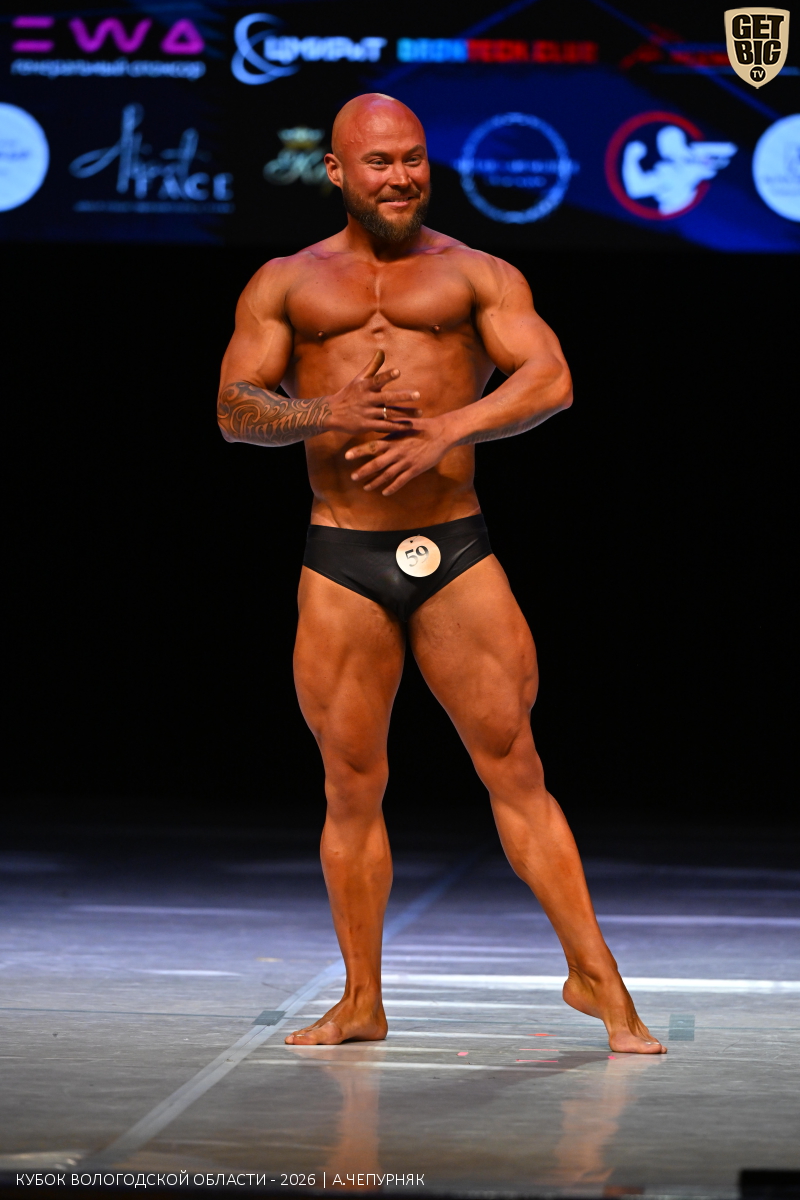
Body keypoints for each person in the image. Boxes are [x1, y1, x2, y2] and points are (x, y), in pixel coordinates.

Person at [217, 93, 665, 1054]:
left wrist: (449, 431)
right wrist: (326, 413)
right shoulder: (286, 283)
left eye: (413, 158)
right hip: (342, 555)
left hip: (455, 548)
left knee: (517, 769)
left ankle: (599, 981)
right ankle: (361, 1001)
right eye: (379, 162)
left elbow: (552, 379)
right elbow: (233, 409)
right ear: (337, 172)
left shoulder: (477, 273)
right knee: (351, 786)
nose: (400, 177)